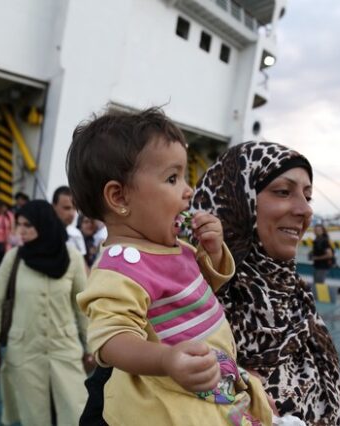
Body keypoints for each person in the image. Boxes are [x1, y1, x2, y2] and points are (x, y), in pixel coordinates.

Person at [67, 108, 273, 425]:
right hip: (176, 400)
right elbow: (111, 340)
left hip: (216, 377)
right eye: (173, 178)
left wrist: (214, 251)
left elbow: (196, 294)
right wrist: (166, 359)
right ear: (119, 197)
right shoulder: (119, 269)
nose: (188, 190)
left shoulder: (174, 248)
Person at [191, 141, 340, 425]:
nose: (305, 210)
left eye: (308, 196)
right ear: (239, 201)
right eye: (283, 192)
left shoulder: (298, 301)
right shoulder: (181, 303)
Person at [0, 200, 91, 426]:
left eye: (28, 225)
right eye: (19, 224)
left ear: (44, 224)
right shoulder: (14, 259)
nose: (21, 231)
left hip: (64, 349)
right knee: (35, 418)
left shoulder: (72, 259)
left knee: (76, 412)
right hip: (25, 351)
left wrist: (93, 346)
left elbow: (84, 308)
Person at [53, 186, 88, 258]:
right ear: (54, 207)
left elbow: (82, 265)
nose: (72, 213)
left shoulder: (76, 235)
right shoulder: (41, 231)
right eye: (67, 208)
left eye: (74, 208)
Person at [310, 224, 334, 288]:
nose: (317, 231)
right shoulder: (317, 240)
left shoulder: (324, 241)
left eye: (319, 230)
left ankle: (322, 298)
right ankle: (316, 297)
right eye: (315, 230)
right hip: (318, 266)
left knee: (319, 285)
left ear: (323, 231)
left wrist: (316, 258)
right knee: (316, 284)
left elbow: (330, 254)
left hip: (323, 267)